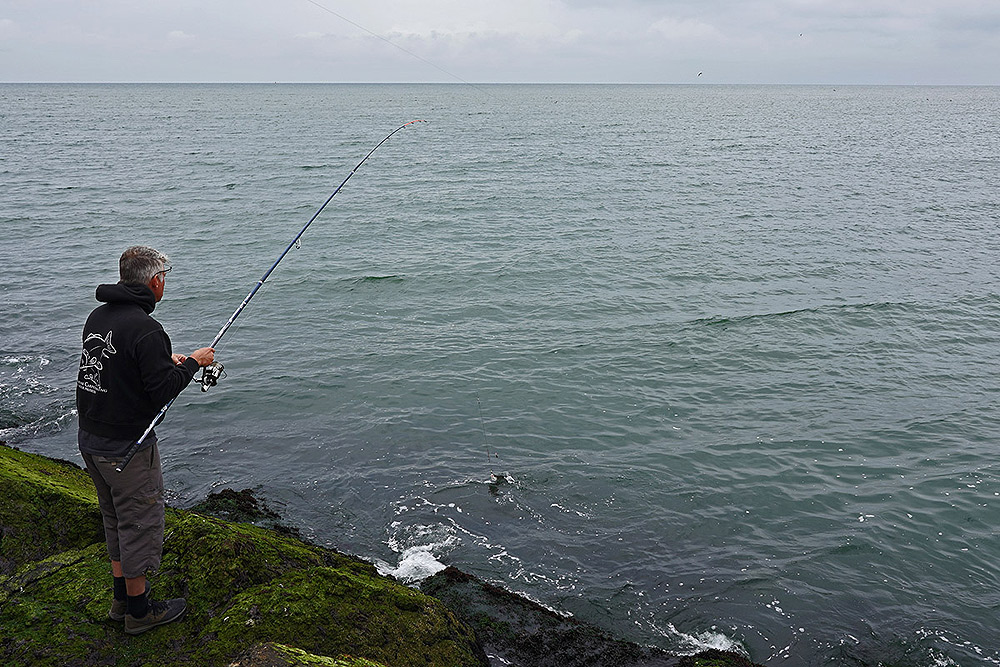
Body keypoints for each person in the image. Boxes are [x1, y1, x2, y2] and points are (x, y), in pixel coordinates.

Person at [76, 245, 215, 635]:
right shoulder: (148, 328)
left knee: (114, 519)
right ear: (155, 281)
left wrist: (163, 363)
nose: (164, 283)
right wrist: (192, 362)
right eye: (165, 277)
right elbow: (162, 392)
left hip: (91, 440)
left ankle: (121, 600)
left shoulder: (98, 317)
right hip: (127, 448)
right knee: (139, 523)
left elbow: (113, 370)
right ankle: (139, 613)